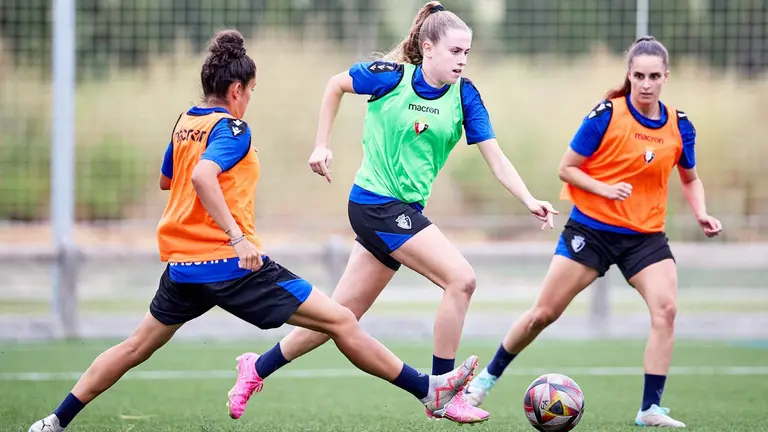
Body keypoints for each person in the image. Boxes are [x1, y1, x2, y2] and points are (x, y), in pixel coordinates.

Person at [27, 29, 487, 432]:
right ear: (235, 89)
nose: (249, 99)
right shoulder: (233, 129)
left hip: (183, 267)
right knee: (343, 320)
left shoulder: (186, 122)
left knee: (133, 348)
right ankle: (427, 390)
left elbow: (169, 180)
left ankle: (56, 419)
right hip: (235, 266)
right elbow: (202, 176)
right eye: (250, 91)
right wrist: (237, 236)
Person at [229, 0, 556, 423]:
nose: (462, 60)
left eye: (467, 52)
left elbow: (496, 157)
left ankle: (256, 368)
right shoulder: (390, 77)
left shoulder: (465, 95)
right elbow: (335, 84)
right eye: (455, 51)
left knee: (340, 317)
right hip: (375, 204)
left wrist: (528, 198)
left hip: (401, 211)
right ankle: (443, 390)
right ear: (428, 48)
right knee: (461, 279)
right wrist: (322, 144)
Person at [461, 36, 723, 428]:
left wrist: (701, 212)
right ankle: (483, 382)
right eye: (639, 76)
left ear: (666, 77)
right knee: (543, 315)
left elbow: (690, 177)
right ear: (629, 75)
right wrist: (605, 189)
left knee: (666, 311)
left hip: (644, 237)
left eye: (654, 76)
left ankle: (650, 409)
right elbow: (566, 168)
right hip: (592, 230)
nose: (646, 84)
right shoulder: (606, 115)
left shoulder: (679, 125)